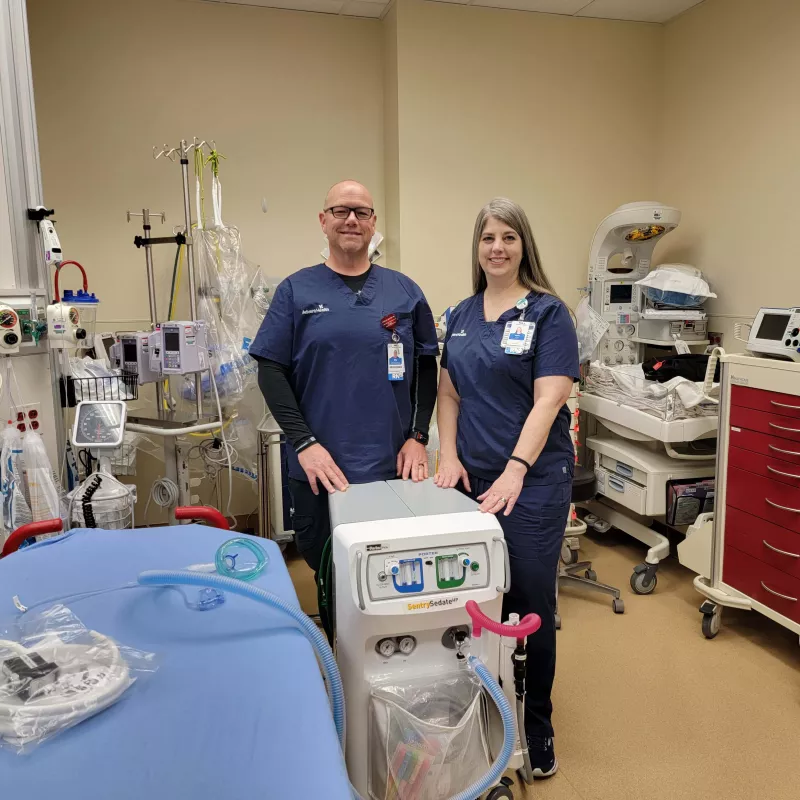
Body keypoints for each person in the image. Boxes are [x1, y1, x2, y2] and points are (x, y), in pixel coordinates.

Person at [249, 180, 440, 634]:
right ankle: (339, 671)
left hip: (390, 466)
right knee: (329, 572)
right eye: (340, 211)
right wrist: (305, 444)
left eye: (361, 212)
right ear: (324, 221)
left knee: (392, 576)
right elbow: (271, 373)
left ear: (374, 223)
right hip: (320, 468)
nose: (351, 219)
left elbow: (427, 367)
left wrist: (418, 436)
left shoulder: (404, 291)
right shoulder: (296, 291)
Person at [434, 197, 579, 778]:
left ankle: (536, 724)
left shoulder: (548, 314)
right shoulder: (462, 315)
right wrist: (448, 454)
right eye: (488, 237)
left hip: (535, 481)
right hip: (473, 479)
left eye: (509, 237)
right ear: (477, 248)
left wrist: (518, 467)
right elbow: (449, 393)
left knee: (526, 602)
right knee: (471, 596)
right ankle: (482, 706)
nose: (497, 247)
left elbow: (551, 398)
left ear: (524, 246)